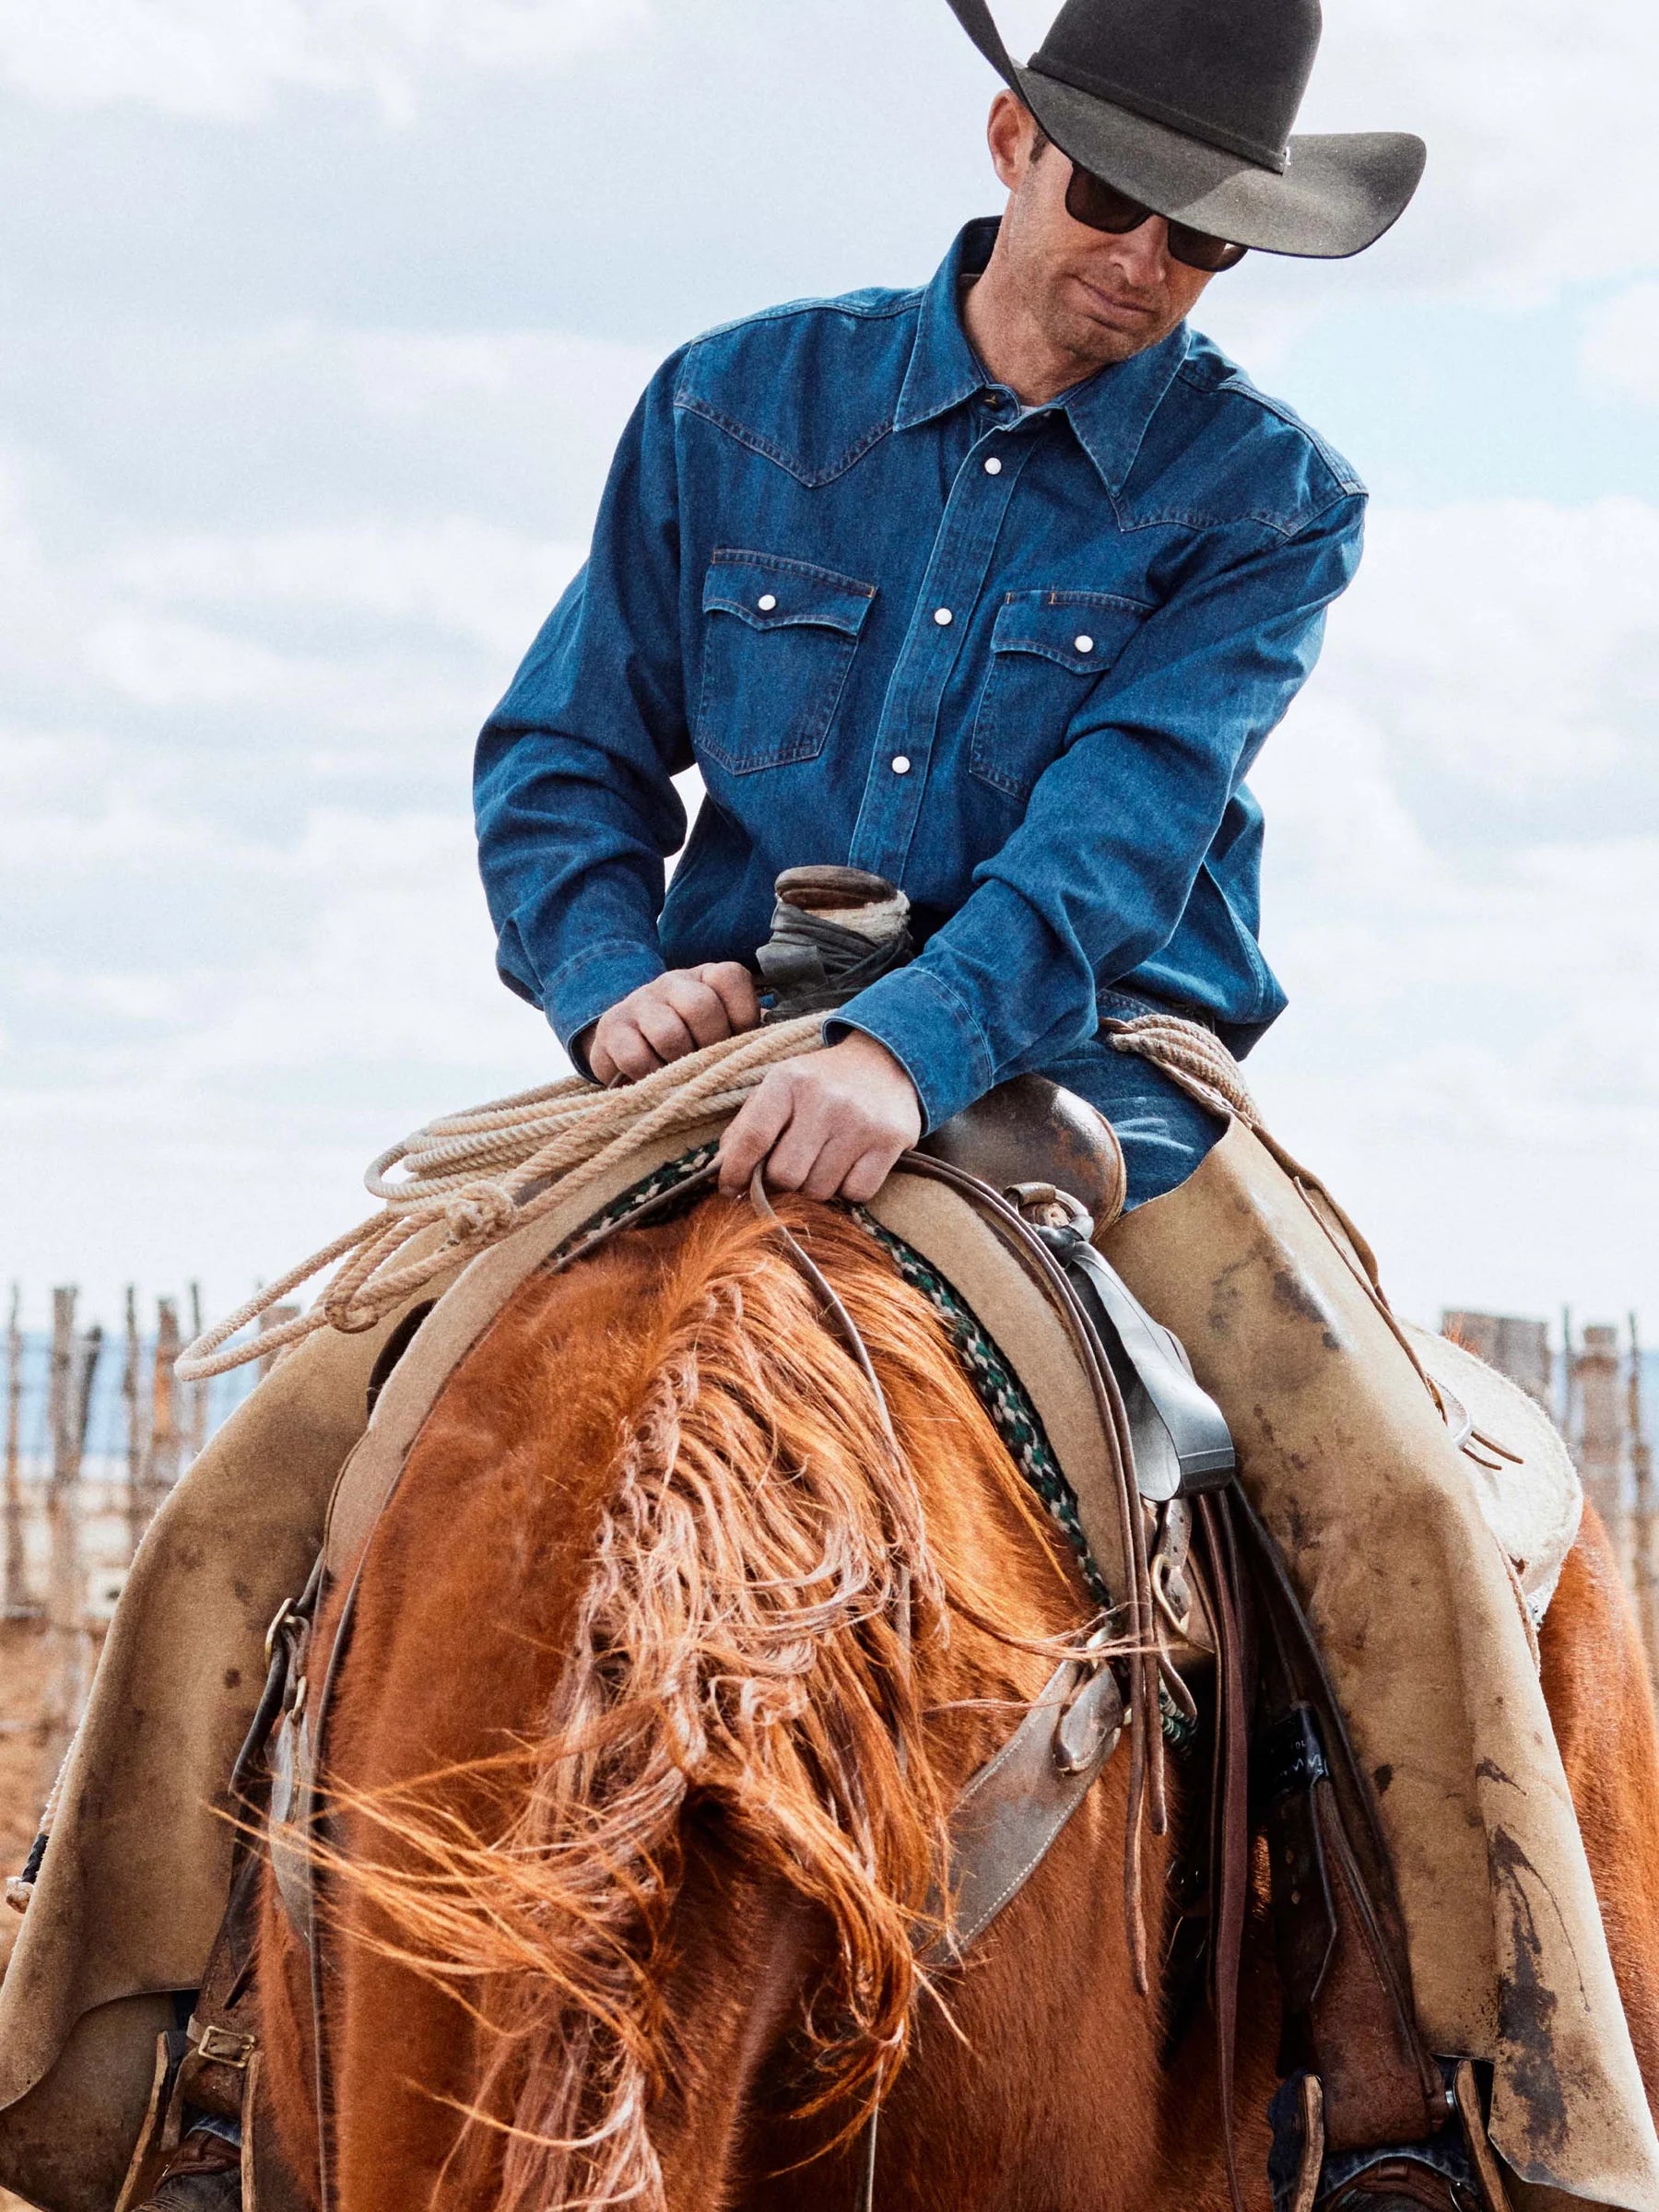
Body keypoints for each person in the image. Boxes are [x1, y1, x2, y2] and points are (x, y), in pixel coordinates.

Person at [30, 5, 1654, 2210]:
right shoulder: (733, 402)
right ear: (1012, 142)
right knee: (267, 1477)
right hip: (704, 1072)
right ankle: (168, 2074)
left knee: (1396, 1497)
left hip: (1091, 1074)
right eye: (1115, 202)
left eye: (1208, 244)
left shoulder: (1266, 498)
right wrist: (613, 985)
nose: (1150, 264)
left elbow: (1124, 824)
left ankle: (1450, 2107)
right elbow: (562, 757)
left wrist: (913, 1049)